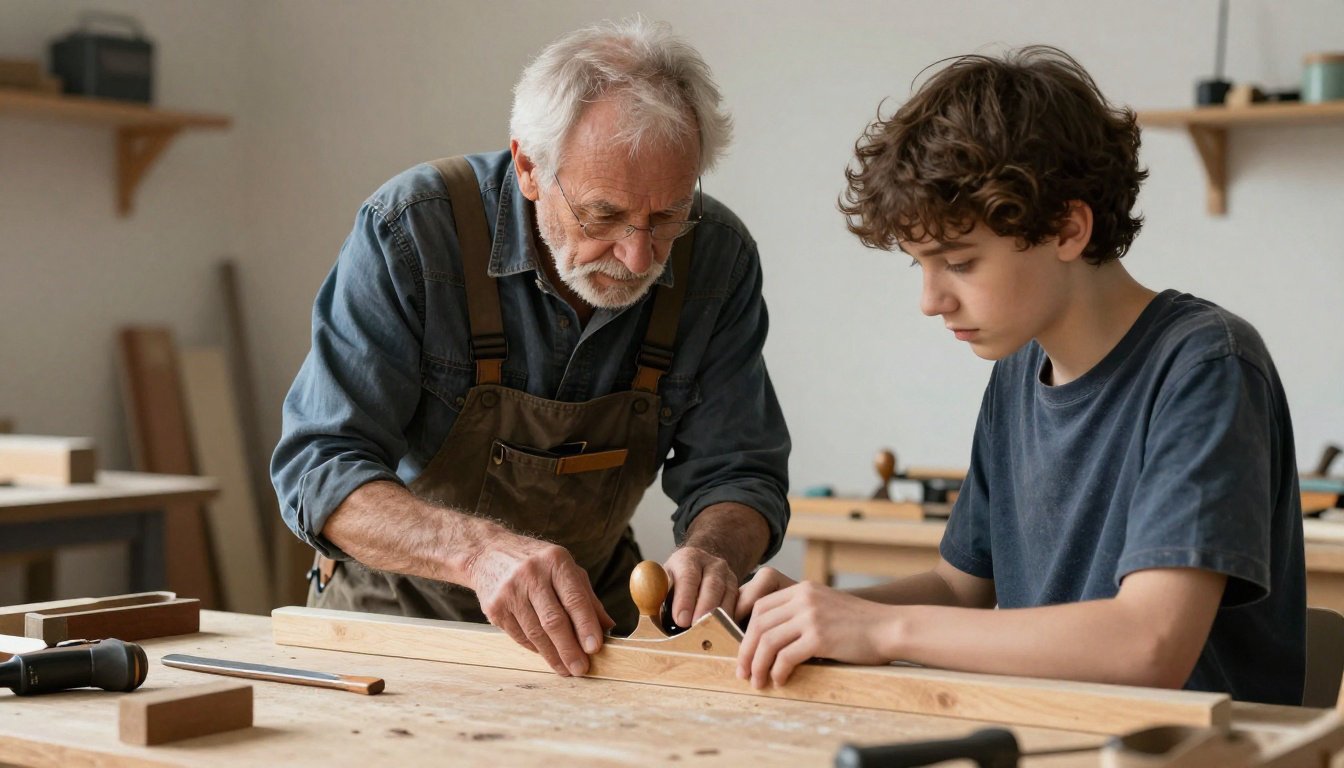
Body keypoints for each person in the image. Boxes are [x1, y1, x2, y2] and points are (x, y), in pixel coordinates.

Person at [735, 46, 1305, 705]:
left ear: (1067, 227)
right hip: (1051, 737)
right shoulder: (1016, 371)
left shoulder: (1206, 365)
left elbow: (1149, 644)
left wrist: (883, 627)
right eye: (920, 264)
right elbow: (961, 589)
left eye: (960, 261)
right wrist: (818, 613)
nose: (931, 299)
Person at [272, 18, 790, 678]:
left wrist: (716, 552)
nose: (638, 257)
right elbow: (318, 468)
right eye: (603, 216)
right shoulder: (413, 233)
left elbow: (739, 471)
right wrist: (478, 551)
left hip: (591, 639)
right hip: (394, 632)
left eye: (666, 218)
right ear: (528, 168)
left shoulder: (717, 259)